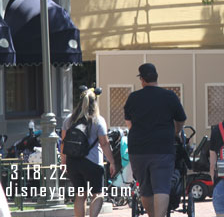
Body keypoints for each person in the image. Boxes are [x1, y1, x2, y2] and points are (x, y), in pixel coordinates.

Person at [124, 63, 187, 217]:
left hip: (138, 150)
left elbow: (129, 124)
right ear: (156, 77)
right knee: (161, 187)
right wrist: (175, 132)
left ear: (142, 79)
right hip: (162, 148)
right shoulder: (169, 96)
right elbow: (181, 120)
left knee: (145, 188)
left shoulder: (133, 98)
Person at [62, 87, 116, 217]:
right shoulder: (98, 120)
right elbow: (104, 143)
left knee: (80, 195)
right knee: (97, 194)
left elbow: (63, 142)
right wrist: (112, 162)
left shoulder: (69, 119)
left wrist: (64, 161)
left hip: (73, 162)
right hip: (92, 163)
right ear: (94, 103)